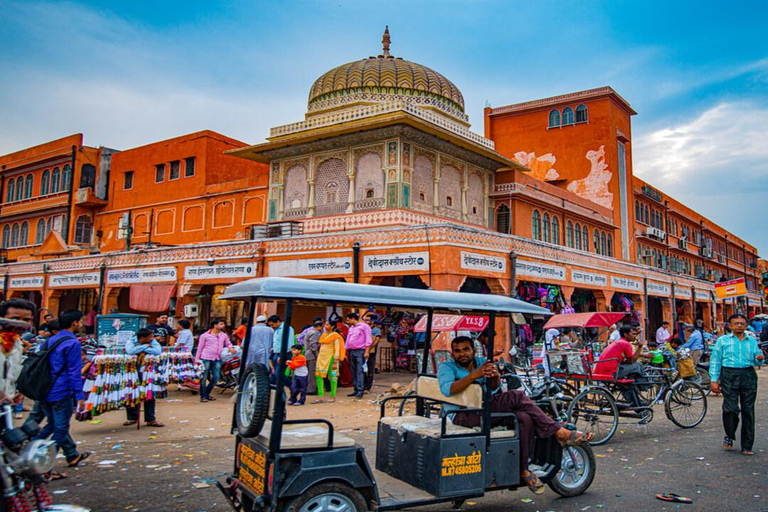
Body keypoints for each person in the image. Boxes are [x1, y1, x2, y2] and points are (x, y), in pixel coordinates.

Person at [437, 336, 592, 494]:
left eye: (465, 349)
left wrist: (495, 375)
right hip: (461, 415)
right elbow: (447, 389)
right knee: (516, 397)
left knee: (524, 418)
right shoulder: (447, 367)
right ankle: (557, 431)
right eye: (457, 351)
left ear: (473, 350)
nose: (462, 354)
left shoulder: (482, 361)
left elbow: (494, 389)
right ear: (453, 354)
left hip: (485, 410)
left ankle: (523, 469)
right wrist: (473, 376)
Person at [34, 310, 90, 468]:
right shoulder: (72, 343)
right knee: (61, 428)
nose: (82, 324)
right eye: (80, 321)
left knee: (51, 425)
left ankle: (32, 447)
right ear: (74, 323)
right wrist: (80, 396)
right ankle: (43, 461)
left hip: (44, 389)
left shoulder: (50, 340)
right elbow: (74, 372)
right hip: (60, 390)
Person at [710, 314, 764, 456]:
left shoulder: (751, 341)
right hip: (729, 375)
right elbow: (715, 361)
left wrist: (759, 359)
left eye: (742, 323)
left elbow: (757, 359)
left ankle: (747, 445)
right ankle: (729, 433)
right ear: (730, 325)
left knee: (748, 410)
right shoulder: (722, 341)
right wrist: (714, 380)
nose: (739, 326)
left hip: (748, 375)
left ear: (746, 326)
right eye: (736, 323)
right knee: (730, 409)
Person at [123, 328, 164, 427]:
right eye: (150, 337)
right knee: (132, 392)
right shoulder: (131, 341)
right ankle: (132, 417)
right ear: (143, 338)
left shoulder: (152, 341)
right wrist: (146, 346)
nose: (152, 338)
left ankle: (150, 419)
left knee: (149, 393)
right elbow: (130, 351)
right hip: (132, 371)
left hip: (147, 371)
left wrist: (141, 348)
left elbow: (158, 351)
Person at [196, 319, 234, 403]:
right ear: (215, 325)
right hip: (205, 357)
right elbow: (200, 348)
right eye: (221, 324)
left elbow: (228, 343)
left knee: (216, 377)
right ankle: (203, 396)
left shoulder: (223, 335)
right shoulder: (205, 335)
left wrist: (231, 347)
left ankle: (206, 393)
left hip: (217, 358)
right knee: (204, 377)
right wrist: (197, 359)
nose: (223, 325)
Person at [315, 320, 345, 402]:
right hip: (321, 358)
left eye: (327, 325)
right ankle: (320, 396)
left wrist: (335, 361)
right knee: (318, 376)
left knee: (333, 376)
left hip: (332, 358)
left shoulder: (336, 336)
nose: (325, 326)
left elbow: (337, 349)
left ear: (332, 327)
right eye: (325, 324)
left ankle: (333, 395)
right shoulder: (323, 335)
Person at [344, 312, 372, 398]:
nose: (347, 322)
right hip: (352, 350)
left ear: (353, 319)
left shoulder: (364, 326)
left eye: (348, 320)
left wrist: (367, 351)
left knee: (360, 370)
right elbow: (348, 340)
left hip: (361, 350)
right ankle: (356, 389)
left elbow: (368, 339)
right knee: (353, 370)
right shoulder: (351, 328)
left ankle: (360, 390)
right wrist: (345, 352)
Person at [267, 315, 294, 384]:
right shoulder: (276, 329)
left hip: (284, 354)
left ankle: (291, 386)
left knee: (279, 374)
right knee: (274, 376)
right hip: (275, 353)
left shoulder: (287, 328)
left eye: (272, 324)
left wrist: (283, 355)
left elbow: (289, 343)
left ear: (278, 322)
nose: (271, 327)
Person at [303, 318, 323, 394]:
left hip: (307, 354)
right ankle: (311, 389)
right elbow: (313, 345)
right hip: (311, 355)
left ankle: (310, 388)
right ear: (318, 326)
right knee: (312, 373)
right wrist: (317, 355)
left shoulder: (309, 332)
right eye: (321, 327)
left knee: (309, 373)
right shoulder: (315, 333)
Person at [363, 314, 381, 393]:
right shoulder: (363, 328)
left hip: (372, 352)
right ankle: (362, 386)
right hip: (363, 351)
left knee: (370, 369)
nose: (366, 321)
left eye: (368, 320)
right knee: (362, 369)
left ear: (373, 321)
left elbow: (377, 340)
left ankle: (367, 387)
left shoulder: (376, 330)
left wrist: (369, 348)